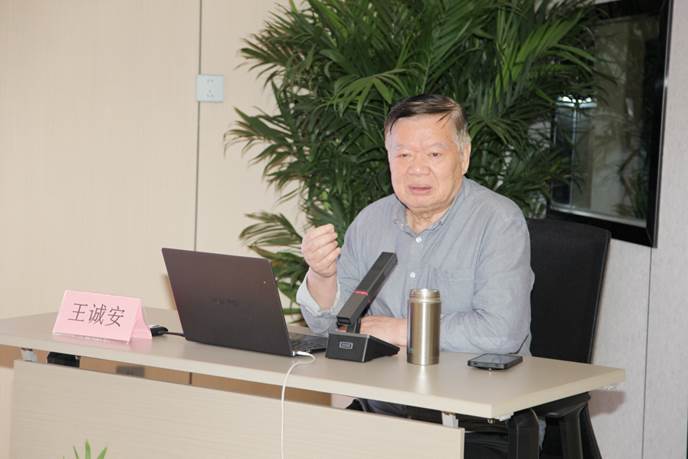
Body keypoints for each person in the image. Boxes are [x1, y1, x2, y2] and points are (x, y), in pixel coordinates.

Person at [296, 94, 534, 420]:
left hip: (475, 418)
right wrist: (322, 276)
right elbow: (330, 328)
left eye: (434, 154)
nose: (417, 169)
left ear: (464, 157)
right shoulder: (370, 222)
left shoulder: (498, 222)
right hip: (384, 410)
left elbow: (501, 333)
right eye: (404, 154)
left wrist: (403, 331)